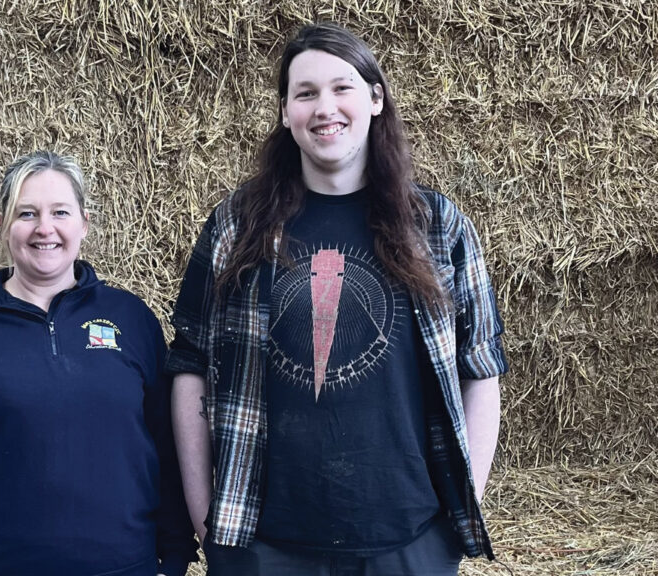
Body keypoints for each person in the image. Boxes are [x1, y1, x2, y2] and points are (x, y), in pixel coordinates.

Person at [167, 22, 508, 576]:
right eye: (305, 93)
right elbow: (189, 365)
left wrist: (460, 510)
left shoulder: (439, 227)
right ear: (285, 114)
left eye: (341, 87)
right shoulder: (235, 226)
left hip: (409, 540)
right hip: (264, 543)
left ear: (376, 99)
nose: (324, 107)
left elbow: (482, 369)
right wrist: (206, 515)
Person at [0, 150, 197, 576]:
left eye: (60, 212)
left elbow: (168, 447)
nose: (44, 229)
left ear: (84, 224)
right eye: (27, 213)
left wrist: (176, 554)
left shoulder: (131, 319)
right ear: (2, 226)